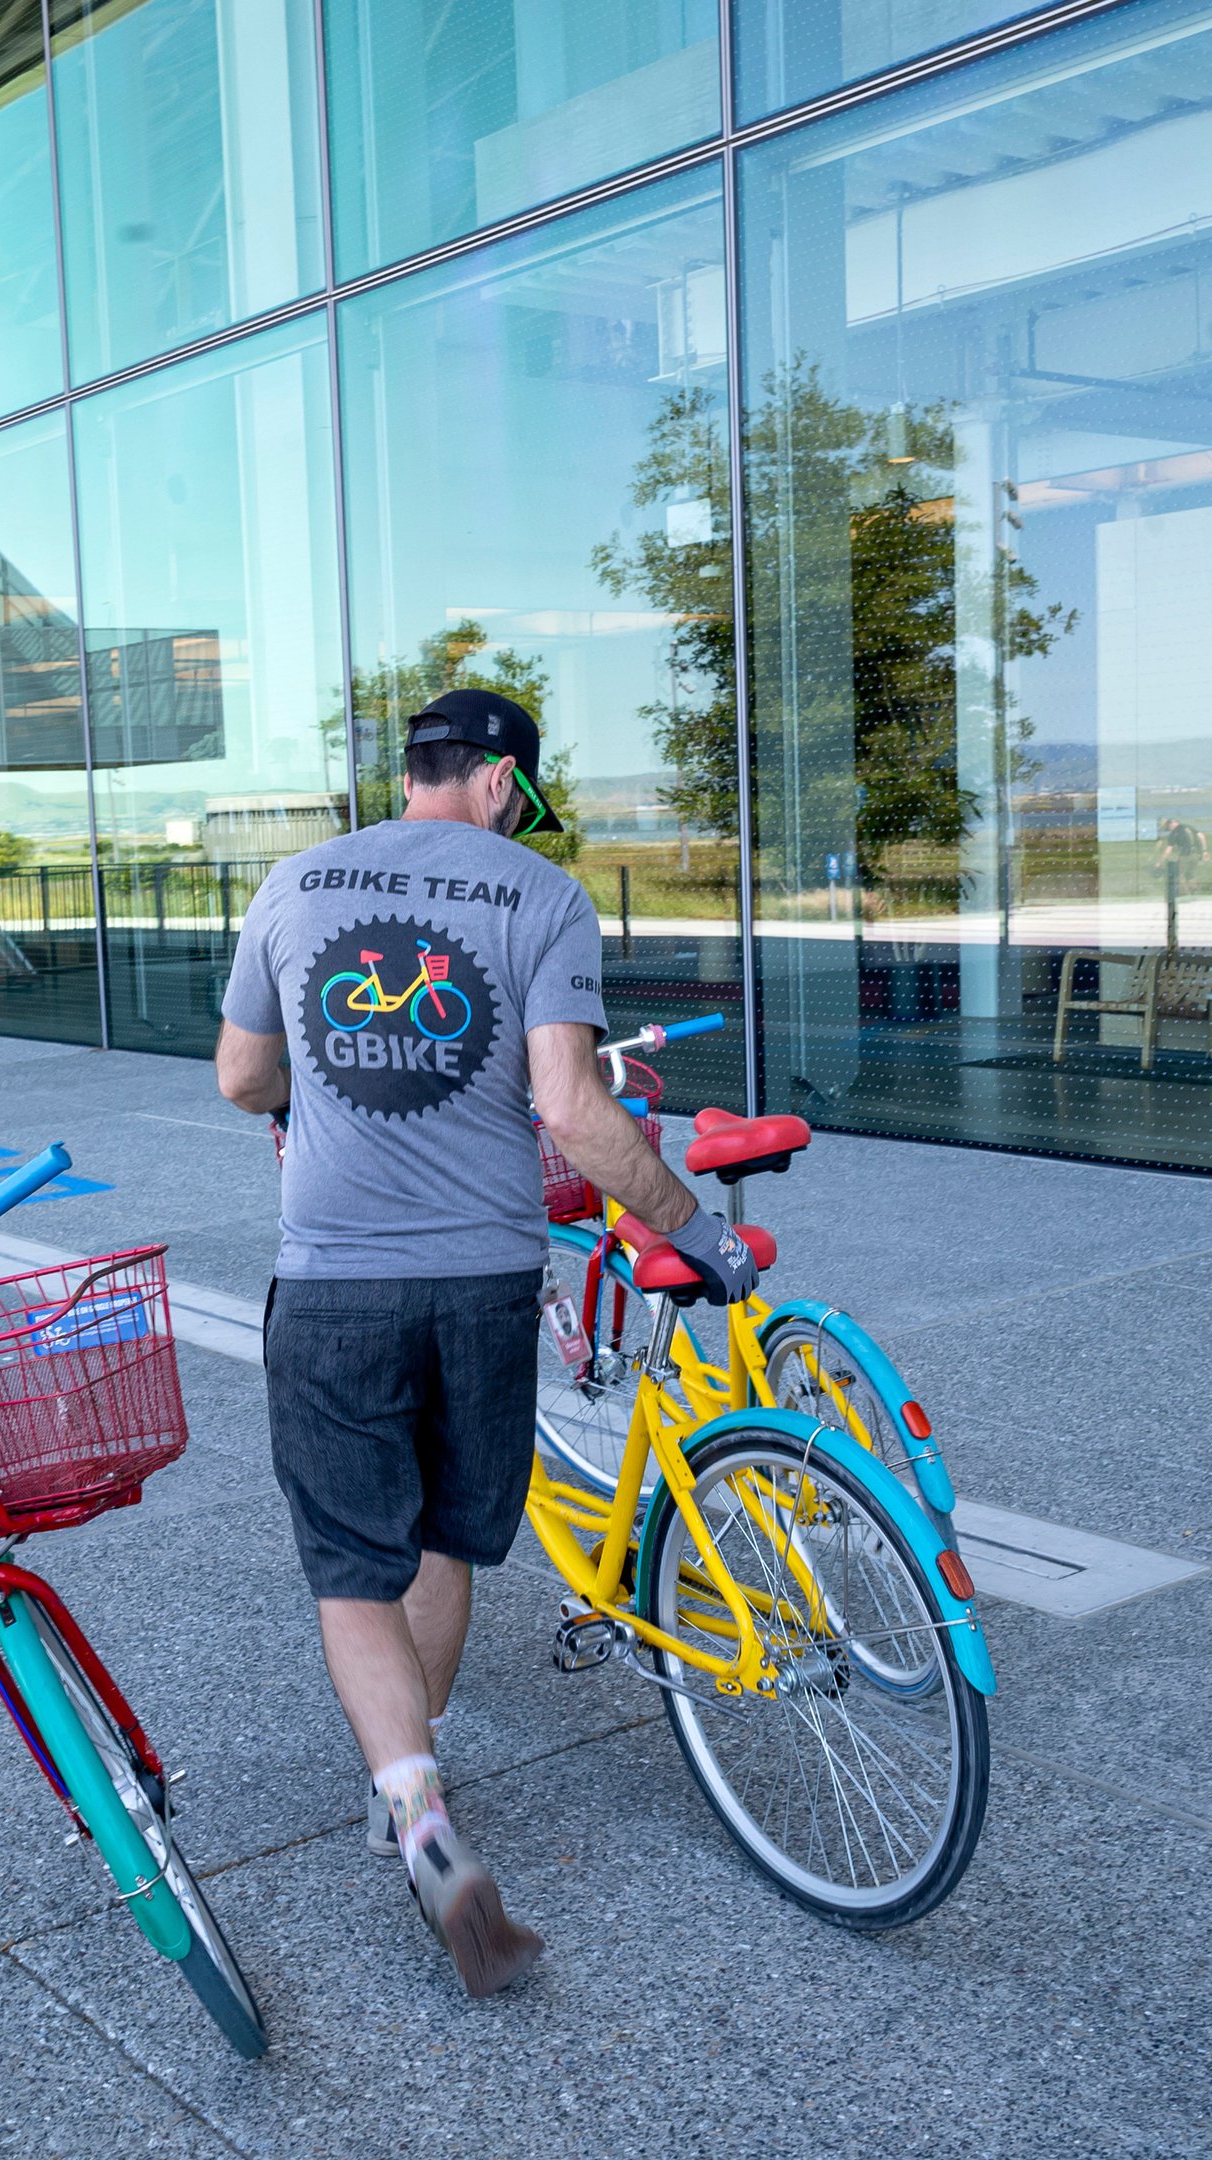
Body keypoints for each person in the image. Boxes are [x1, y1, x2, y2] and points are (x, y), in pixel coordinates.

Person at [214, 685, 758, 1997]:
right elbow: (571, 1107)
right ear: (504, 783)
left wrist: (316, 1082)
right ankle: (425, 1758)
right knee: (450, 1536)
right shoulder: (540, 897)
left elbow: (242, 1078)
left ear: (415, 774)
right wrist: (694, 1228)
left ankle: (414, 1808)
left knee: (355, 1564)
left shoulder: (294, 885)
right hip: (483, 1282)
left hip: (335, 1282)